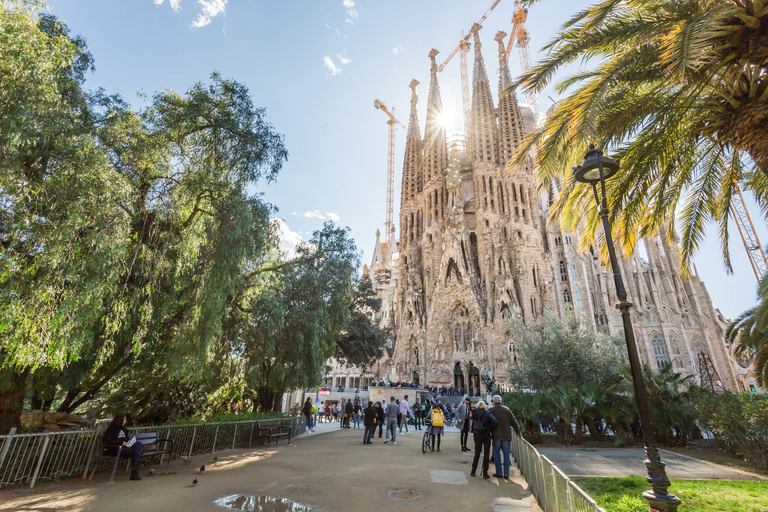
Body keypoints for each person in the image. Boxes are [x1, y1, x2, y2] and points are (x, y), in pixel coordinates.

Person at [489, 395, 522, 479]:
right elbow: (513, 422)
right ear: (500, 401)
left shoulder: (491, 410)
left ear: (493, 401)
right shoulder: (507, 410)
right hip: (506, 435)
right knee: (506, 455)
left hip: (496, 435)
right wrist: (518, 431)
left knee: (497, 455)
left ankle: (499, 472)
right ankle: (506, 474)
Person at [103, 413, 143, 481]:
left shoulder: (124, 429)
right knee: (135, 452)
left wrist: (130, 442)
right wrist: (121, 443)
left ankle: (136, 465)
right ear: (120, 420)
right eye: (124, 419)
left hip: (125, 447)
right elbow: (108, 441)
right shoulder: (111, 430)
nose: (125, 421)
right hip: (115, 449)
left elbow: (126, 439)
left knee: (138, 444)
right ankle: (135, 472)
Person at [470, 400, 497, 479]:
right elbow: (495, 422)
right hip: (486, 435)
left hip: (477, 434)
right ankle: (485, 472)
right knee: (486, 454)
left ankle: (473, 471)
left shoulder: (474, 412)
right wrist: (488, 427)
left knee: (477, 452)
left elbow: (472, 418)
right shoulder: (487, 413)